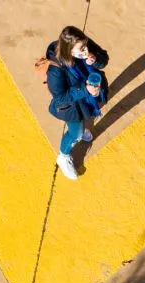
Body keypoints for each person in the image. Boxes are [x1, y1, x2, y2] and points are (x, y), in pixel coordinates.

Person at [45, 26, 109, 179]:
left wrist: (95, 59)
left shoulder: (81, 44)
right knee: (76, 132)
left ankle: (79, 132)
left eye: (85, 46)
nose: (85, 49)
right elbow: (60, 98)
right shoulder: (55, 71)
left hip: (86, 97)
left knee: (85, 120)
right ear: (69, 50)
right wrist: (85, 90)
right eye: (81, 48)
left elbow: (104, 59)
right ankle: (63, 156)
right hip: (72, 107)